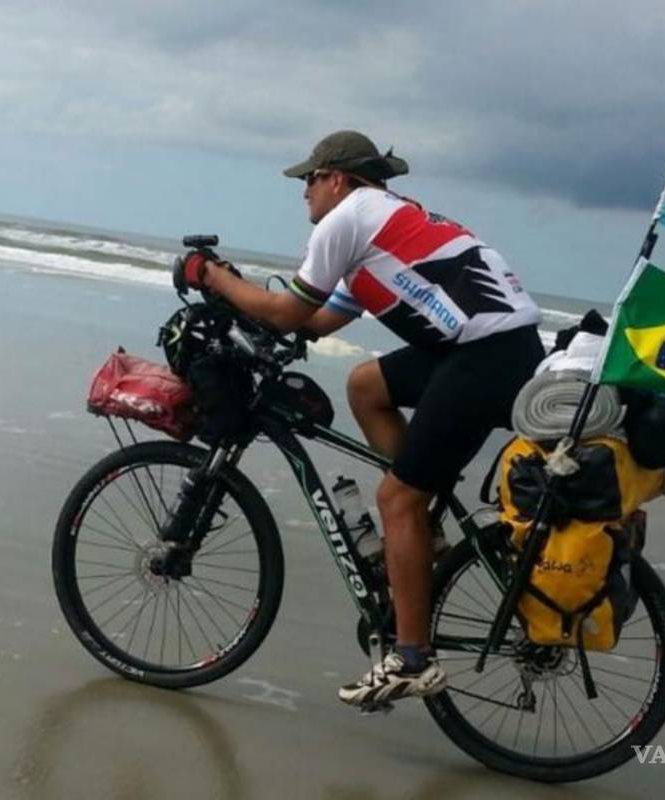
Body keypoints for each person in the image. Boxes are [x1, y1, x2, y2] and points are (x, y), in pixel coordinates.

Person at [183, 130, 545, 707]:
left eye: (309, 179)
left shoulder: (348, 219)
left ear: (338, 179)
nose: (303, 193)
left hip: (485, 359)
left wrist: (211, 276)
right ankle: (422, 529)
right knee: (365, 385)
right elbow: (313, 323)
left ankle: (411, 657)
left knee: (395, 499)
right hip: (493, 350)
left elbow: (285, 310)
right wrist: (243, 307)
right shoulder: (380, 229)